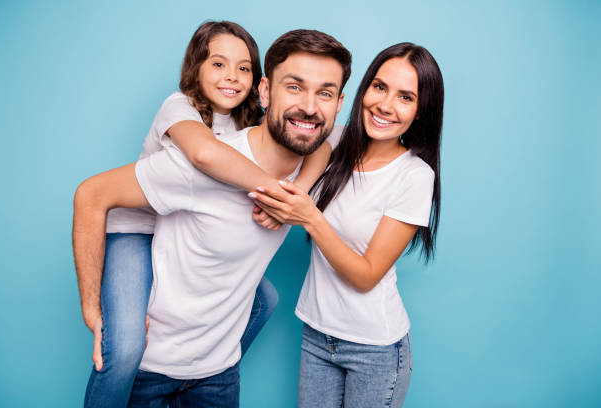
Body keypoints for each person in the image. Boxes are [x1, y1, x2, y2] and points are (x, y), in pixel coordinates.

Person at [73, 29, 352, 407]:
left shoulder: (289, 137)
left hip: (218, 375)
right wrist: (93, 309)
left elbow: (335, 137)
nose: (309, 105)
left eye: (325, 93)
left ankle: (213, 356)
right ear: (267, 92)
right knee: (123, 346)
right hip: (134, 241)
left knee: (265, 299)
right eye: (295, 87)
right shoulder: (189, 132)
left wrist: (298, 191)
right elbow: (200, 156)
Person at [250, 42, 444, 407]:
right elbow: (281, 135)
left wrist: (307, 214)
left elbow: (367, 275)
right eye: (380, 87)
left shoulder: (414, 176)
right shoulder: (336, 141)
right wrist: (291, 197)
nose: (385, 105)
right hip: (317, 334)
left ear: (421, 111)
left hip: (375, 350)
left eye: (406, 97)